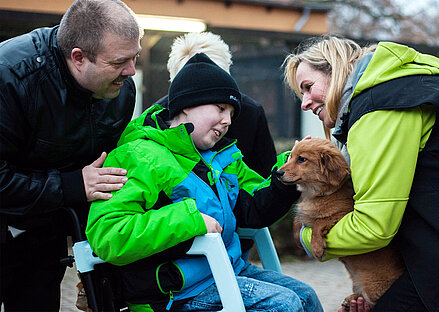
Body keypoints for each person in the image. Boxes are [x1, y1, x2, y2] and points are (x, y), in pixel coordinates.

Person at [86, 52, 323, 312]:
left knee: (306, 296)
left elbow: (255, 206)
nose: (228, 121)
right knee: (284, 305)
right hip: (173, 293)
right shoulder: (139, 156)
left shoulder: (222, 158)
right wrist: (190, 220)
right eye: (221, 109)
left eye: (231, 113)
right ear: (187, 105)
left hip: (224, 270)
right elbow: (108, 235)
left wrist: (288, 169)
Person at [284, 35, 439, 311]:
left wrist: (306, 237)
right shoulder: (393, 90)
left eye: (309, 87)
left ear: (335, 71)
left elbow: (373, 228)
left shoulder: (379, 107)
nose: (305, 102)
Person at [0, 0, 143, 310]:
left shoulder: (120, 91)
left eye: (135, 57)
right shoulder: (9, 78)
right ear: (78, 57)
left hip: (42, 231)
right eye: (120, 61)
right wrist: (71, 186)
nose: (131, 71)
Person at [154, 31, 278, 256]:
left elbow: (263, 179)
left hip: (236, 234)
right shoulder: (158, 122)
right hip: (177, 247)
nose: (225, 120)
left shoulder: (250, 113)